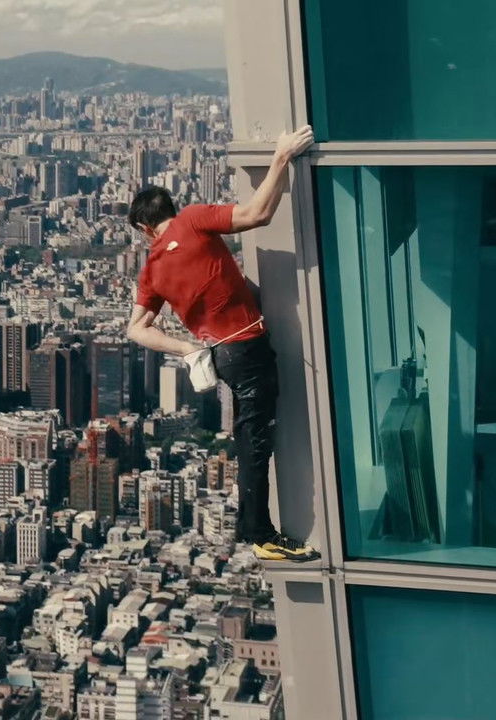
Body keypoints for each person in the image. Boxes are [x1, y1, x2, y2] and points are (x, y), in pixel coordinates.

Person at [125, 125, 317, 562]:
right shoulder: (194, 219)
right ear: (170, 209)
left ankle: (257, 528)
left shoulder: (151, 270)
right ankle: (261, 534)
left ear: (144, 228)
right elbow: (257, 214)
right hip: (247, 349)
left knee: (253, 437)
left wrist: (188, 349)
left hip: (225, 355)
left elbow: (136, 329)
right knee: (255, 441)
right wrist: (282, 156)